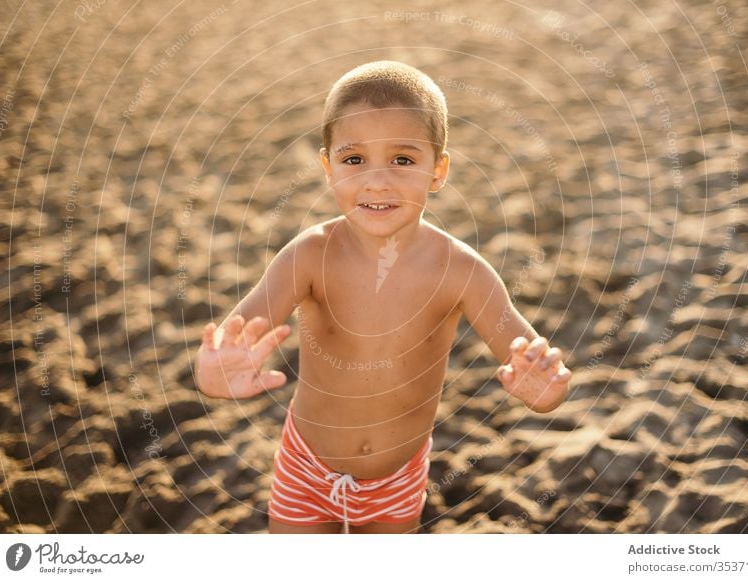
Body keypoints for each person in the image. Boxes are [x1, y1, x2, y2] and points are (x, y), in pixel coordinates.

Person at [195, 60, 571, 534]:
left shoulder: (462, 271)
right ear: (328, 169)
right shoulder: (309, 256)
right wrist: (214, 374)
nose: (378, 180)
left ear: (438, 170)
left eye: (403, 159)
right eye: (354, 160)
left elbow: (528, 359)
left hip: (399, 479)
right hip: (306, 469)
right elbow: (234, 340)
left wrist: (545, 389)